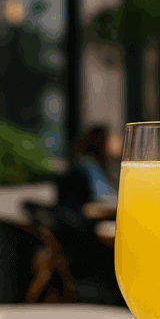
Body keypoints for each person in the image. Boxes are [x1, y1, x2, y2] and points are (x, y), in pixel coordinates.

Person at [51, 125, 123, 306]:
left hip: (85, 239)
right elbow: (95, 203)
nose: (119, 141)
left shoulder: (103, 168)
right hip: (86, 241)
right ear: (102, 141)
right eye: (114, 137)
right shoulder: (88, 167)